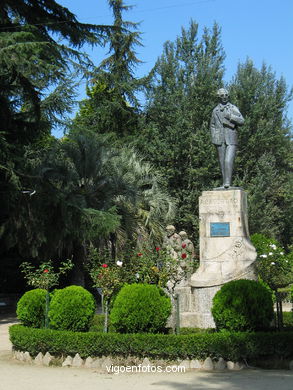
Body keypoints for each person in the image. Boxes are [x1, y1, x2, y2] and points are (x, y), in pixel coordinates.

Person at [210, 88, 244, 188]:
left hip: (231, 138)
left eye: (226, 95)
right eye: (222, 95)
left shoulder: (233, 108)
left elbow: (242, 121)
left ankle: (227, 183)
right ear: (218, 97)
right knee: (221, 162)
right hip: (219, 139)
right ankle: (225, 183)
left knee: (228, 160)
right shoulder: (215, 110)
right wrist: (214, 136)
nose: (224, 97)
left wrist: (230, 117)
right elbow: (212, 125)